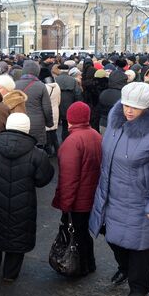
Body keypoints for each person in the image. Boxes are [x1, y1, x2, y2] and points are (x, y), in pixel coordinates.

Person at [89, 82, 149, 296]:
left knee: (140, 246)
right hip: (112, 193)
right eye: (126, 105)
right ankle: (125, 268)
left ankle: (139, 286)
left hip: (141, 198)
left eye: (135, 107)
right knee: (114, 239)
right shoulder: (116, 120)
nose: (128, 111)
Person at [0, 113, 54, 282]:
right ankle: (10, 274)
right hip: (23, 204)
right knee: (18, 236)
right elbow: (43, 180)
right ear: (27, 128)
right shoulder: (37, 154)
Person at [51, 102, 101, 276]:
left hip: (78, 199)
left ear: (70, 118)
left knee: (76, 234)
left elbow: (68, 179)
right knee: (84, 232)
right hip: (92, 196)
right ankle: (90, 263)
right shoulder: (95, 135)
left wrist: (65, 204)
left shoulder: (72, 142)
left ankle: (80, 267)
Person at [15, 61, 53, 146]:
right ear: (37, 71)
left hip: (20, 121)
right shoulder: (41, 86)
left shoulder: (15, 85)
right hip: (37, 123)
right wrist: (49, 123)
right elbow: (47, 108)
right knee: (37, 148)